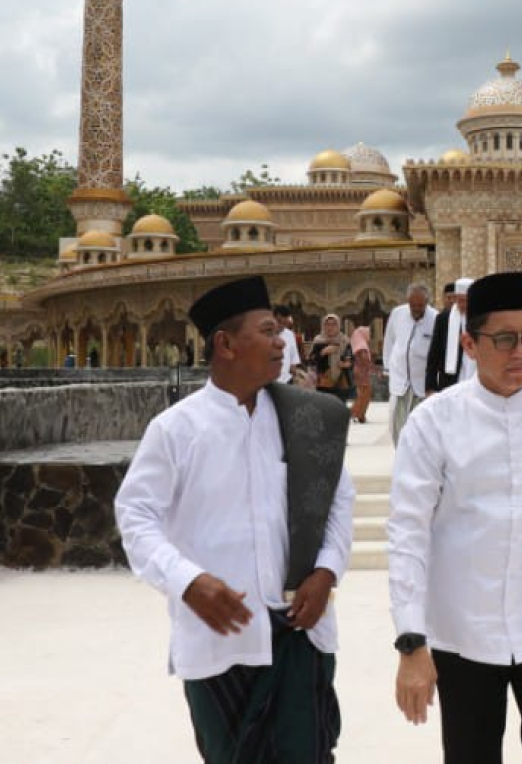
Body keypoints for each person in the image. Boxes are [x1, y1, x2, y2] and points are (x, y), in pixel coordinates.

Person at [115, 276, 356, 764]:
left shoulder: (305, 418)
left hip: (299, 631)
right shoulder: (176, 430)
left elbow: (337, 497)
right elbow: (136, 517)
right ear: (224, 344)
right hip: (219, 637)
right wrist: (187, 582)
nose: (280, 342)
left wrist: (327, 569)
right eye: (267, 331)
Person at [388, 271, 522, 764]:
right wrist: (411, 641)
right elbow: (408, 533)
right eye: (505, 340)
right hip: (463, 633)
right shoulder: (433, 422)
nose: (521, 354)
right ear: (469, 344)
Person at [383, 282, 438, 445]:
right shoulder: (398, 314)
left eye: (420, 305)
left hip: (422, 383)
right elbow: (389, 341)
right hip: (400, 381)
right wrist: (387, 367)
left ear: (427, 303)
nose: (415, 309)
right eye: (412, 305)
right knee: (397, 427)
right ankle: (401, 457)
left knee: (420, 428)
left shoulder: (435, 318)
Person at [425, 277, 474, 394]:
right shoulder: (444, 319)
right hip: (450, 378)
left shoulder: (483, 318)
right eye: (460, 300)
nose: (462, 304)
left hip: (475, 373)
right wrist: (430, 385)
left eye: (466, 300)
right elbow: (434, 353)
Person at [311, 314, 353, 403]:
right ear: (323, 325)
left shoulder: (344, 340)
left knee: (340, 405)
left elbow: (350, 357)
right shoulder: (318, 340)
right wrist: (323, 352)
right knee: (324, 406)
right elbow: (311, 359)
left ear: (338, 326)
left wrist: (346, 364)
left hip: (340, 380)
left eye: (334, 324)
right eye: (327, 324)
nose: (330, 327)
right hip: (323, 380)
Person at [273, 304, 303, 385]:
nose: (281, 326)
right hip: (269, 381)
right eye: (279, 321)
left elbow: (293, 360)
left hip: (287, 381)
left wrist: (298, 375)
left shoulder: (290, 335)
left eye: (284, 323)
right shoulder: (264, 334)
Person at [349, 326, 373, 423]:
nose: (368, 335)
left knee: (361, 393)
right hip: (362, 373)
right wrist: (370, 366)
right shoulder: (362, 346)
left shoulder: (357, 344)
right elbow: (364, 359)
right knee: (364, 393)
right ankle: (358, 414)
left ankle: (358, 414)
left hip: (358, 371)